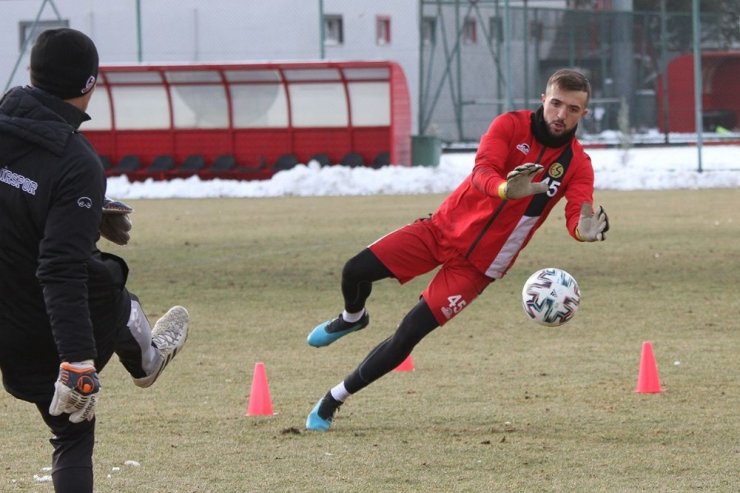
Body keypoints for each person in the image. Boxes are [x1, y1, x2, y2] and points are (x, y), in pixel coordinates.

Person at [305, 68, 609, 431]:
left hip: (479, 268)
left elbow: (579, 211)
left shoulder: (577, 165)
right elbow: (483, 170)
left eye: (573, 109)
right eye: (556, 103)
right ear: (543, 99)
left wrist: (582, 230)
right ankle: (353, 317)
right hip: (440, 231)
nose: (561, 115)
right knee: (355, 270)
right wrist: (503, 190)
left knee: (408, 333)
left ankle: (332, 400)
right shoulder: (509, 126)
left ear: (583, 115)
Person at [0, 28, 189, 492]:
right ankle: (147, 359)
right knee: (109, 286)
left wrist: (84, 212)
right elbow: (60, 268)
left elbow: (20, 191)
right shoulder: (76, 161)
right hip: (46, 324)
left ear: (31, 73)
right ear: (90, 85)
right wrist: (78, 361)